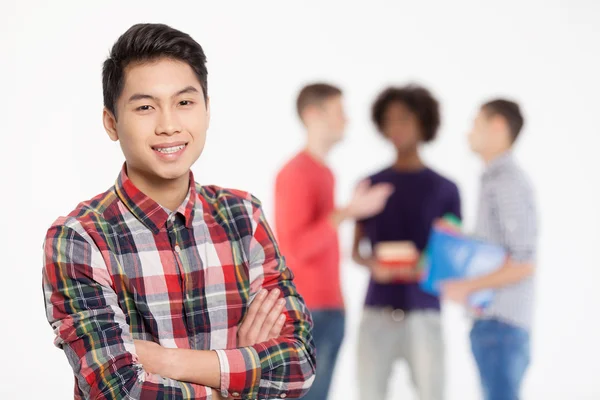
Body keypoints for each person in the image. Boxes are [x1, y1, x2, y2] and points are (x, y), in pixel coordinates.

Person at [42, 23, 315, 400]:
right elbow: (119, 390)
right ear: (111, 123)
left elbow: (299, 365)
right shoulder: (80, 237)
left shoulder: (243, 216)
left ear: (206, 110)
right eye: (145, 107)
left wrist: (167, 362)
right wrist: (240, 381)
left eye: (184, 102)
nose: (169, 125)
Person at [274, 83, 393, 400]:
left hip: (330, 309)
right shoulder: (295, 173)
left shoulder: (325, 173)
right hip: (307, 311)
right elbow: (296, 247)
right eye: (339, 112)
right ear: (313, 115)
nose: (347, 120)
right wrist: (349, 211)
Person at [352, 85, 462, 400]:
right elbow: (356, 253)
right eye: (389, 120)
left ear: (424, 122)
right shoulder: (370, 184)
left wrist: (427, 264)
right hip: (377, 310)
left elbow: (451, 253)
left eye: (404, 119)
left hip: (425, 310)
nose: (395, 128)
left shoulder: (445, 189)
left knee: (432, 392)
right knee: (370, 392)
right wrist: (374, 265)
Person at [443, 99, 538, 400]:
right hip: (495, 325)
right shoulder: (495, 180)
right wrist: (461, 237)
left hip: (501, 326)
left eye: (476, 124)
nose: (469, 133)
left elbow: (524, 261)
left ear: (497, 126)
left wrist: (465, 286)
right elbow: (499, 249)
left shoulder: (506, 181)